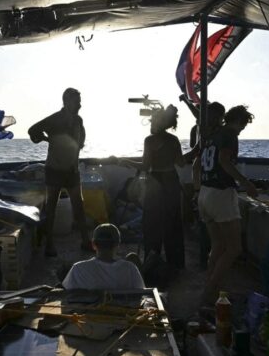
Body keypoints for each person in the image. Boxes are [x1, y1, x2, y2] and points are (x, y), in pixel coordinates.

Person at [194, 104, 258, 306]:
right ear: (240, 121)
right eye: (243, 125)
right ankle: (210, 291)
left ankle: (211, 287)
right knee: (234, 248)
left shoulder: (211, 136)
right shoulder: (230, 134)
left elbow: (197, 165)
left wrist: (196, 190)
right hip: (221, 195)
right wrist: (245, 182)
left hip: (204, 194)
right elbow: (224, 160)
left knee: (218, 245)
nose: (242, 130)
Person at [28, 88, 90, 257]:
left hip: (72, 171)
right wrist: (46, 138)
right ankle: (49, 244)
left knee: (80, 207)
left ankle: (86, 241)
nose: (79, 104)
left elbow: (80, 142)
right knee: (51, 208)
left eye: (79, 100)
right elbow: (33, 130)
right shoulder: (54, 119)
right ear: (66, 101)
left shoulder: (79, 121)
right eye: (76, 101)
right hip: (54, 170)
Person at [130, 105, 186, 268]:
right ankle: (175, 262)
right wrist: (196, 150)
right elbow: (181, 163)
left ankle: (151, 258)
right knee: (173, 221)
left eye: (152, 121)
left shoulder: (149, 140)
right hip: (171, 180)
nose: (151, 124)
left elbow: (145, 166)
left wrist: (124, 161)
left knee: (152, 222)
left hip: (155, 181)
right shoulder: (174, 140)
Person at [63, 224, 146, 290]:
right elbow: (141, 295)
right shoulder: (130, 269)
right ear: (118, 245)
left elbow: (64, 298)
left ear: (93, 245)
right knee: (133, 257)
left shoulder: (78, 269)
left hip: (89, 311)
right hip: (122, 311)